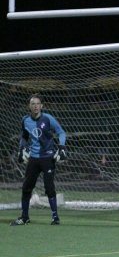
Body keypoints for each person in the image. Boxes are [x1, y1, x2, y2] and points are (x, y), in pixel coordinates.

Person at [10, 94, 67, 226]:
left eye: (38, 103)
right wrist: (22, 148)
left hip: (47, 158)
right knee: (26, 188)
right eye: (33, 104)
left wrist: (62, 147)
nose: (35, 106)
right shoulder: (25, 120)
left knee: (49, 188)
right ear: (29, 106)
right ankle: (24, 217)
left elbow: (61, 132)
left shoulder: (48, 118)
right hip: (33, 159)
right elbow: (24, 136)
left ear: (42, 106)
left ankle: (55, 217)